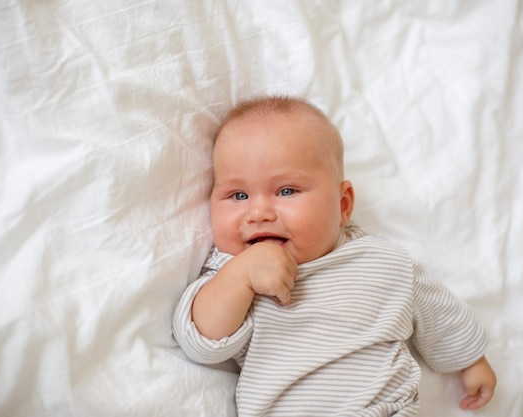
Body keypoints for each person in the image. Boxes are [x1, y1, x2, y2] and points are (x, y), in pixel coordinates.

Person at [173, 96, 496, 416]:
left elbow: (439, 312)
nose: (258, 212)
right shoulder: (233, 273)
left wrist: (470, 361)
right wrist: (240, 276)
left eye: (286, 191)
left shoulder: (382, 260)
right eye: (238, 195)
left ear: (342, 205)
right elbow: (202, 343)